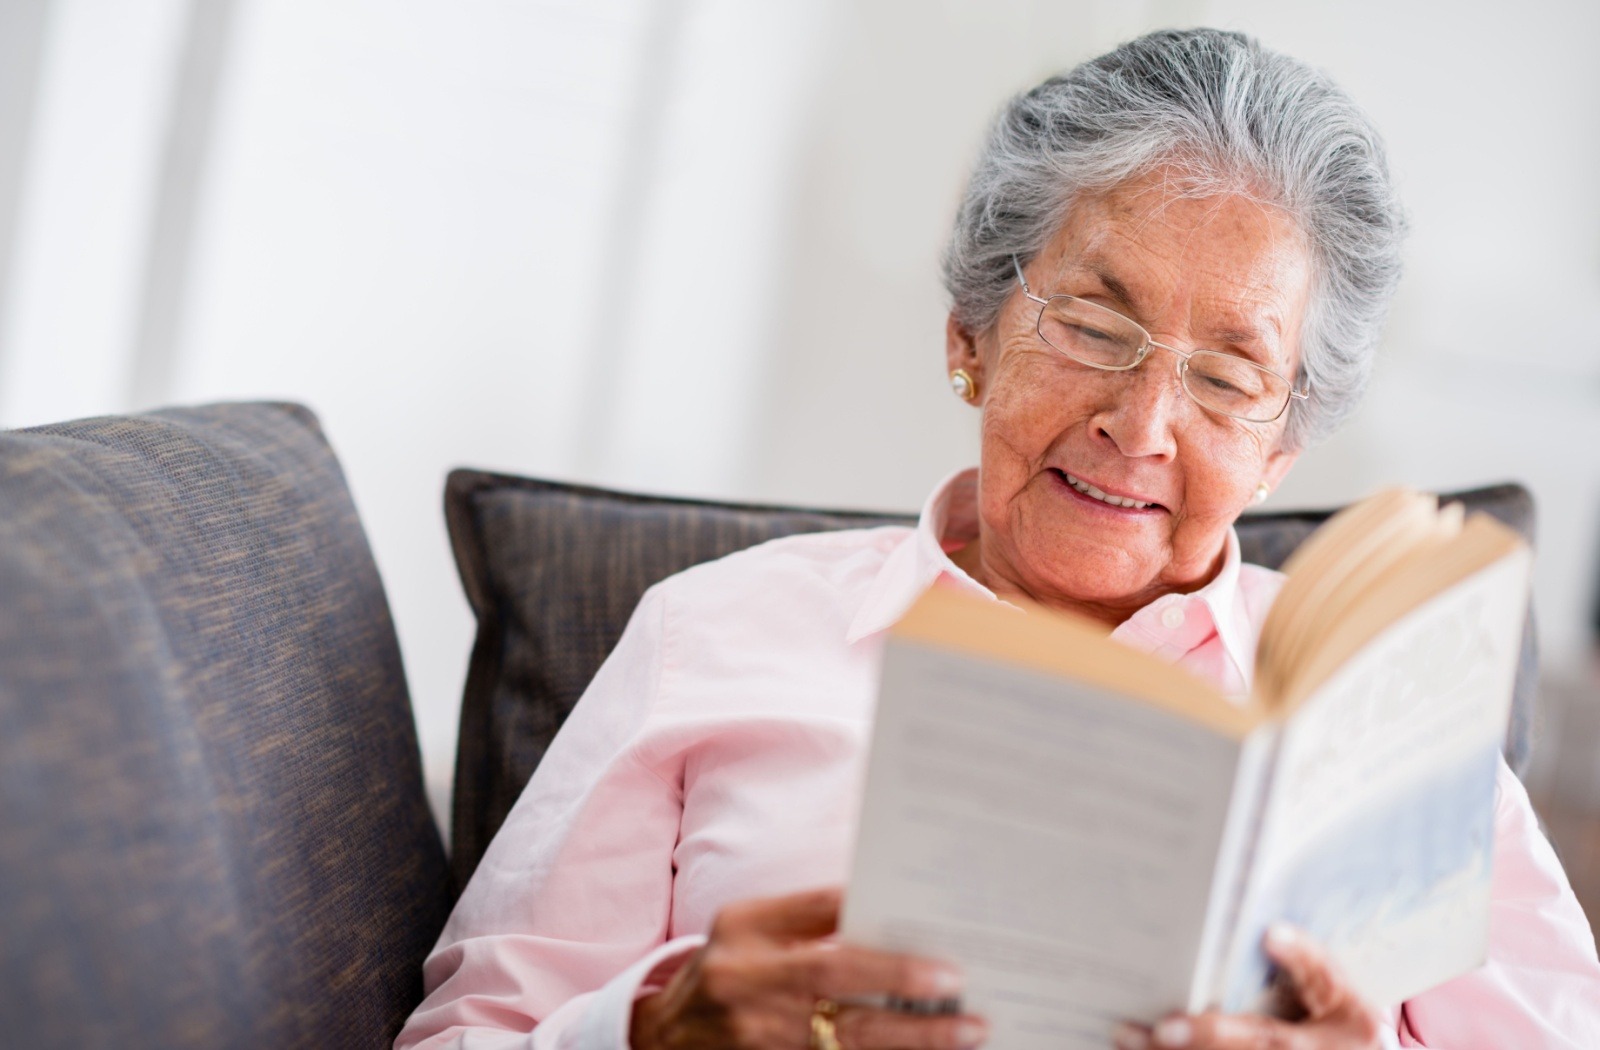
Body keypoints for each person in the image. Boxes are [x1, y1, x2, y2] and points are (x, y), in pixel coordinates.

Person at [397, 28, 1600, 1050]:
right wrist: (654, 1029)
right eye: (1088, 322)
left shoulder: (1381, 710)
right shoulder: (712, 632)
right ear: (969, 333)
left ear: (1284, 447)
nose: (1140, 426)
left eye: (1231, 377)